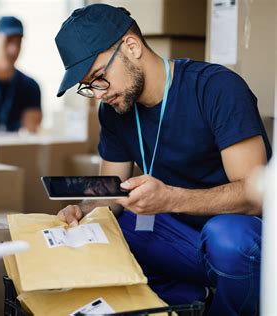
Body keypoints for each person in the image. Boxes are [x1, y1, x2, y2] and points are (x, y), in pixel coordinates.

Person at [54, 4, 271, 316]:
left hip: (239, 238)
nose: (99, 93)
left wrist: (170, 199)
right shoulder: (115, 110)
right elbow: (109, 195)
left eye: (99, 77)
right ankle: (190, 303)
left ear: (131, 46)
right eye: (89, 87)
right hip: (178, 238)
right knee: (110, 229)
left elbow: (256, 195)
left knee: (228, 238)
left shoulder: (216, 88)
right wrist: (83, 212)